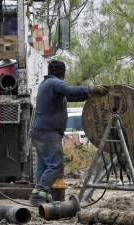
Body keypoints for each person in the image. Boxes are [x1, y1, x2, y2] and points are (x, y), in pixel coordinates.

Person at [29, 60, 109, 206]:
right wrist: (91, 89)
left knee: (44, 165)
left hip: (40, 132)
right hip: (48, 133)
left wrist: (90, 95)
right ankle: (38, 195)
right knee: (56, 165)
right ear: (63, 74)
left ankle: (42, 195)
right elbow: (70, 91)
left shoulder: (46, 85)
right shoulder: (55, 83)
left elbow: (71, 96)